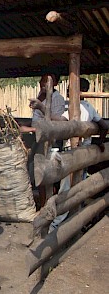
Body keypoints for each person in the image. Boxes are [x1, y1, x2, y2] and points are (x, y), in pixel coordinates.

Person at [49, 78, 108, 230]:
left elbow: (61, 120)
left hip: (71, 153)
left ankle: (56, 225)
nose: (68, 91)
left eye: (70, 89)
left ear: (78, 91)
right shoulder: (89, 107)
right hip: (85, 153)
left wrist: (45, 114)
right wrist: (100, 142)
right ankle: (76, 220)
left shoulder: (70, 107)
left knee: (66, 189)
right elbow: (104, 126)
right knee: (80, 186)